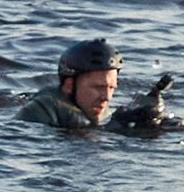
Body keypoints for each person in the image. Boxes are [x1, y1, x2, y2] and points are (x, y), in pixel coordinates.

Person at [14, 36, 171, 134]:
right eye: (98, 87)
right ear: (69, 85)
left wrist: (154, 117)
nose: (106, 97)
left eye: (111, 88)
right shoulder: (38, 112)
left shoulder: (107, 114)